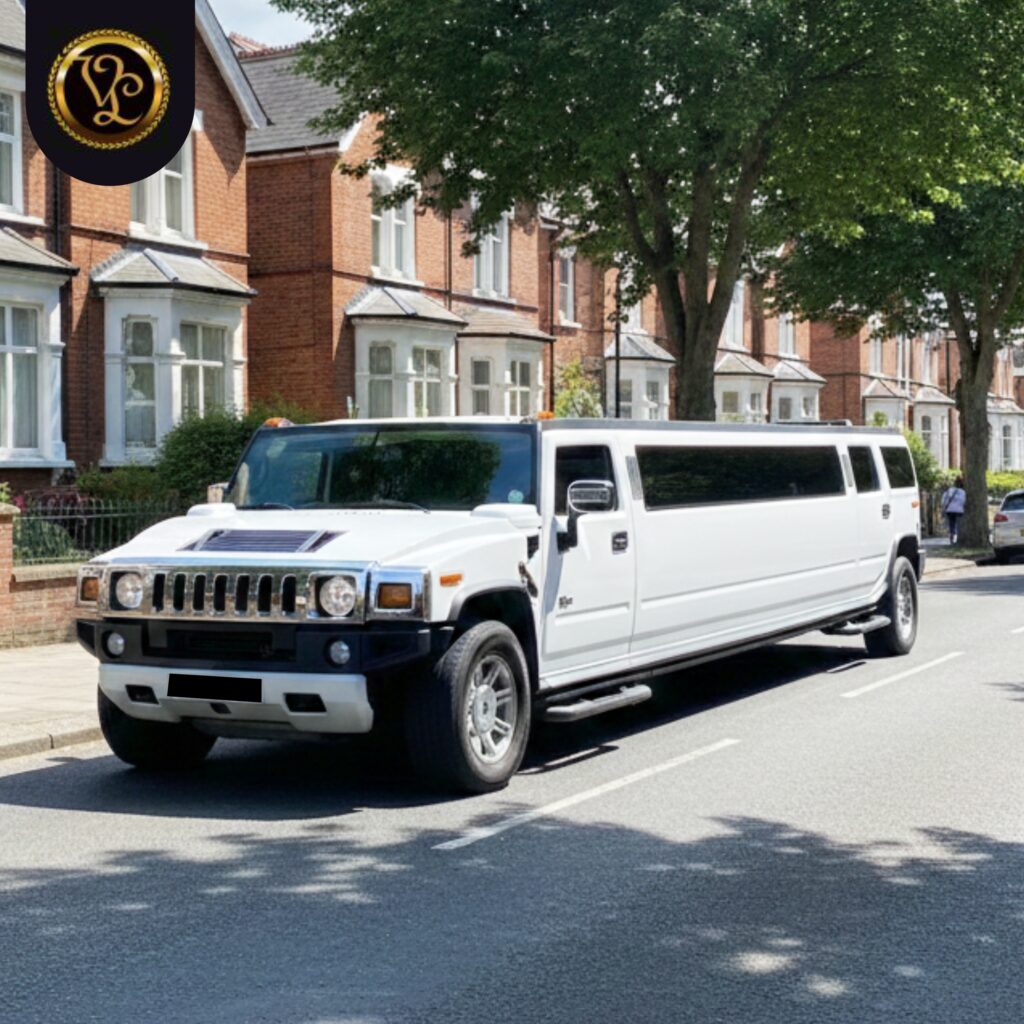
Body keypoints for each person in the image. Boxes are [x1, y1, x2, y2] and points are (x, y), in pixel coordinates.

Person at [940, 476, 966, 545]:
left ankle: (952, 538)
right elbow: (964, 501)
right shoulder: (963, 492)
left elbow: (943, 499)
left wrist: (943, 507)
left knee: (951, 524)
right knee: (958, 525)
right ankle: (957, 537)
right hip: (959, 511)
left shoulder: (950, 490)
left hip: (950, 510)